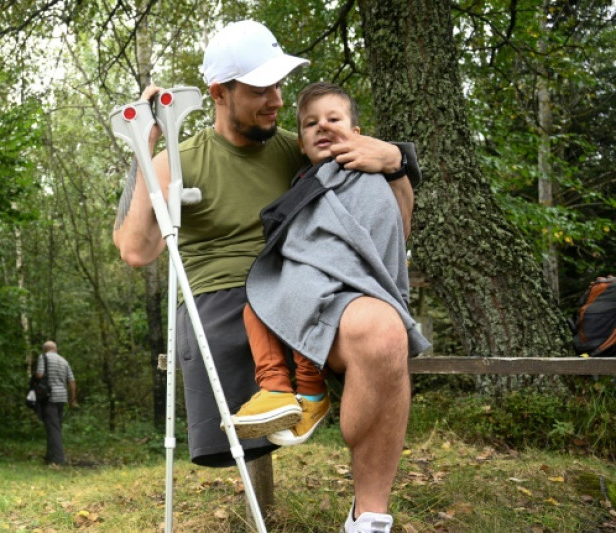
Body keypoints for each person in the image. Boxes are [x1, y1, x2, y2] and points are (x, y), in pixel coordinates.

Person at [112, 20, 419, 533]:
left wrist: (397, 161)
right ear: (219, 93)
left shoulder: (297, 149)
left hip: (311, 290)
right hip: (225, 303)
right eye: (259, 89)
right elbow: (136, 250)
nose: (277, 100)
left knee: (387, 332)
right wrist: (147, 144)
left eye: (279, 85)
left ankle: (368, 518)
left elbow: (394, 224)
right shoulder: (180, 162)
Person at [232, 82, 430, 452]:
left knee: (302, 293)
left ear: (357, 135)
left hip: (348, 292)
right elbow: (300, 237)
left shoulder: (367, 178)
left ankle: (310, 390)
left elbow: (383, 236)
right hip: (310, 284)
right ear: (301, 144)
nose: (322, 126)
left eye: (333, 118)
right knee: (255, 306)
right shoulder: (305, 183)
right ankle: (275, 389)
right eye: (311, 123)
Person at [35, 341, 77, 466]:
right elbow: (72, 381)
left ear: (44, 350)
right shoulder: (64, 361)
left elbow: (39, 374)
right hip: (62, 398)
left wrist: (35, 381)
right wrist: (72, 399)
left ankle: (58, 459)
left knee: (53, 428)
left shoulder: (43, 357)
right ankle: (49, 456)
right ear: (55, 349)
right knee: (54, 426)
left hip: (49, 398)